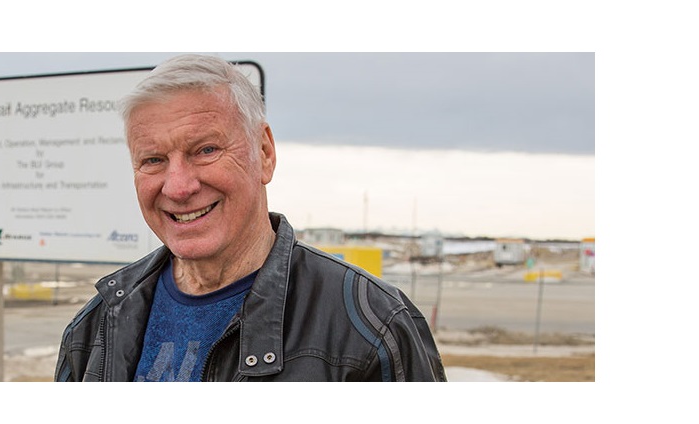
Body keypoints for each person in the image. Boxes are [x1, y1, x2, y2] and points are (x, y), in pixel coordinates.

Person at [54, 54, 446, 381]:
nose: (178, 187)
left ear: (265, 153)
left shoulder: (372, 326)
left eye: (205, 150)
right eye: (153, 160)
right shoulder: (96, 325)